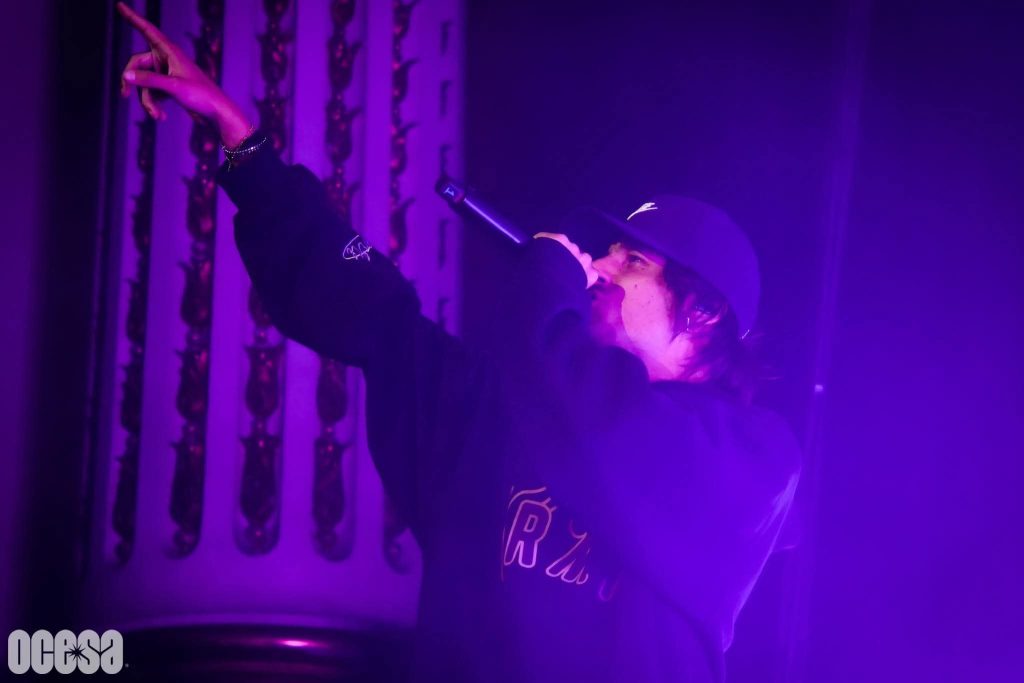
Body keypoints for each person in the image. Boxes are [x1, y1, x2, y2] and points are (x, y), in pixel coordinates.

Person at [117, 4, 801, 682]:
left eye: (633, 260)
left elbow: (604, 424)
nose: (598, 267)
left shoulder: (751, 461)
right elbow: (375, 312)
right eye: (605, 253)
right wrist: (243, 146)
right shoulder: (511, 407)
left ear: (703, 314)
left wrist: (547, 288)